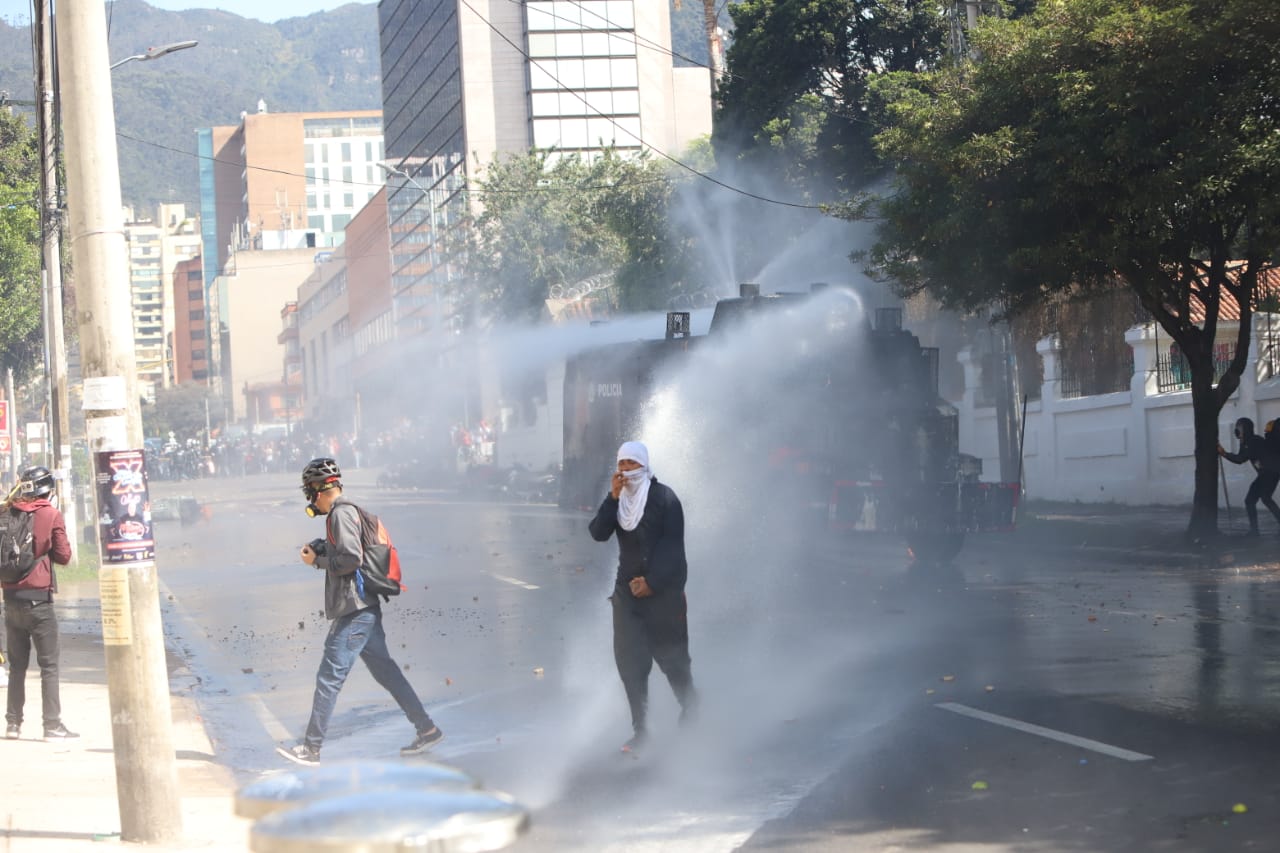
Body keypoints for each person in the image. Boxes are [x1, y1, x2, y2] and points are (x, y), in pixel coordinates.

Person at [276, 457, 443, 765]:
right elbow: (351, 552)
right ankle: (427, 729)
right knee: (388, 674)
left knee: (329, 676)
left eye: (309, 491)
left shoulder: (340, 514)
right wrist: (323, 549)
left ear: (320, 489)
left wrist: (317, 561)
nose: (309, 499)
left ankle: (311, 749)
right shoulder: (347, 512)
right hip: (366, 609)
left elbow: (351, 558)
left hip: (355, 611)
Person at [588, 441, 697, 753]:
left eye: (631, 465)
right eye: (621, 464)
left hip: (663, 593)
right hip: (626, 595)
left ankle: (690, 706)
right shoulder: (619, 501)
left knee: (671, 658)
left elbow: (674, 549)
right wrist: (611, 498)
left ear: (644, 466)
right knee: (630, 661)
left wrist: (652, 582)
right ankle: (641, 729)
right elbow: (598, 532)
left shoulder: (665, 498)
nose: (625, 471)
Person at [3, 466, 76, 741]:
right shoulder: (50, 514)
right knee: (49, 666)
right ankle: (51, 725)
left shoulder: (6, 512)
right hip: (39, 602)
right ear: (48, 490)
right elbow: (64, 556)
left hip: (10, 600)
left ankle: (13, 724)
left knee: (17, 665)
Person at [1219, 416, 1280, 536]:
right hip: (1272, 473)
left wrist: (1224, 453)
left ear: (1245, 429)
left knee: (1250, 500)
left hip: (1268, 473)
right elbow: (1241, 456)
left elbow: (1240, 459)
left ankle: (1254, 531)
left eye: (1239, 427)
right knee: (1266, 499)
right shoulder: (1250, 441)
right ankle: (1255, 530)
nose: (1237, 430)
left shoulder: (1252, 442)